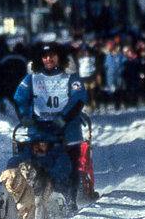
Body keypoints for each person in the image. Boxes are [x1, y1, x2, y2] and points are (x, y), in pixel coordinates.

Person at [13, 42, 88, 210]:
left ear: (59, 57)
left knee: (69, 165)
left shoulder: (70, 77)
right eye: (45, 56)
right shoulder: (32, 77)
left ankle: (70, 198)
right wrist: (24, 116)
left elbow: (79, 98)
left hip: (68, 129)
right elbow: (20, 98)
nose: (48, 59)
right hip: (40, 130)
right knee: (36, 163)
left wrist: (64, 117)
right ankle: (36, 196)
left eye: (52, 56)